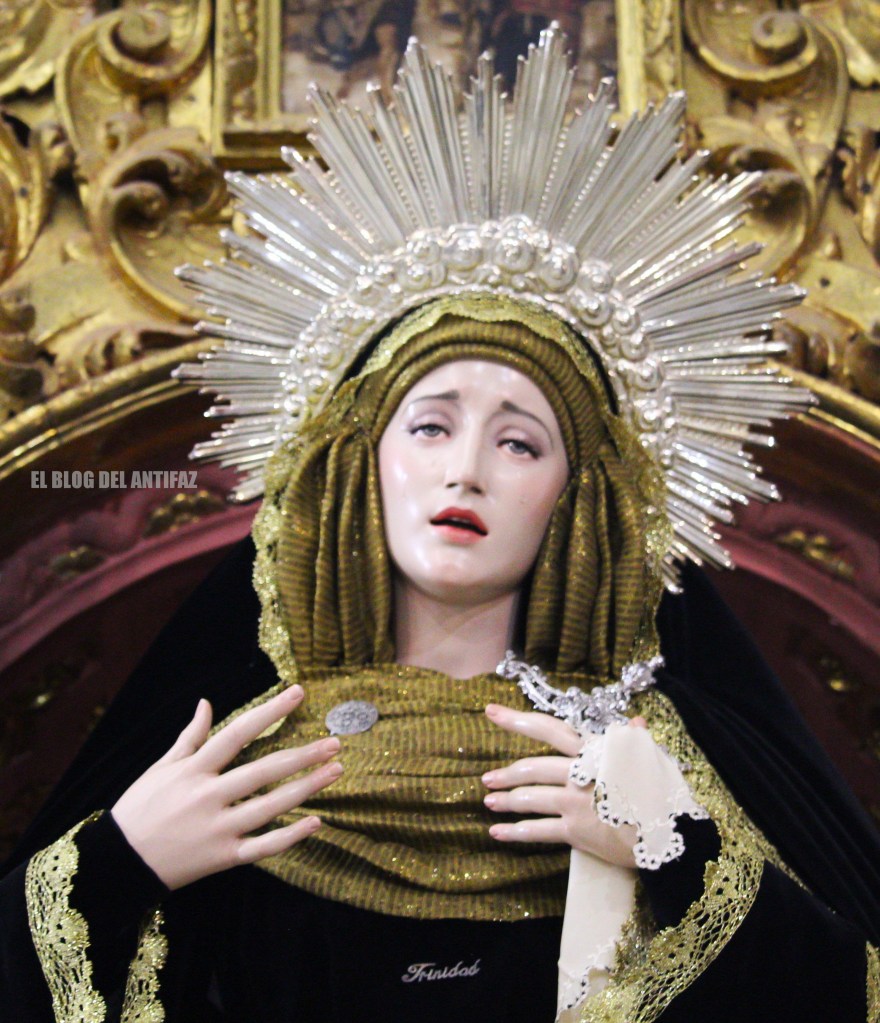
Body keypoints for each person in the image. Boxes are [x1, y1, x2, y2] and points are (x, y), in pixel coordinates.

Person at [3, 28, 880, 1023]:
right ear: (360, 464)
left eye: (520, 442)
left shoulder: (654, 766)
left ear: (575, 499)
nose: (466, 469)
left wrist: (676, 854)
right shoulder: (239, 760)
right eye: (429, 425)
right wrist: (123, 862)